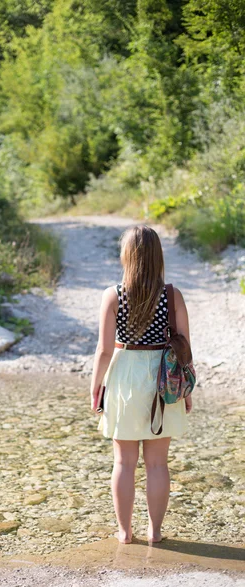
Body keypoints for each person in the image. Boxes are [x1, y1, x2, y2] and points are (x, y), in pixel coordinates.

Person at [90, 224, 193, 545]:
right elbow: (185, 346)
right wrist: (187, 390)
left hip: (124, 375)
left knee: (123, 462)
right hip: (163, 378)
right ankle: (155, 532)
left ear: (127, 256)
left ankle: (124, 532)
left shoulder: (114, 295)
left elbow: (105, 349)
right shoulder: (171, 295)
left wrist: (95, 388)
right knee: (158, 464)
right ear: (157, 256)